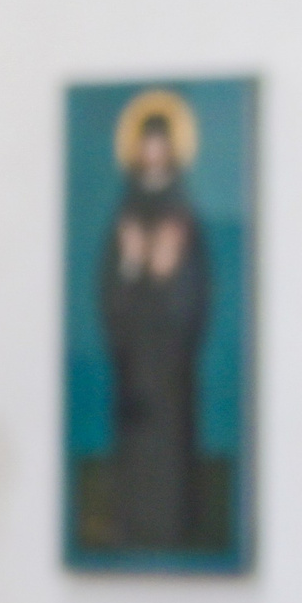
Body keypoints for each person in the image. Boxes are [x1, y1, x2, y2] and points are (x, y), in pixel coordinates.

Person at [98, 107, 209, 551]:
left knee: (169, 449)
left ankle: (171, 527)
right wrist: (129, 263)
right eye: (147, 143)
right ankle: (132, 528)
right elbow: (111, 292)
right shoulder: (126, 212)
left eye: (162, 143)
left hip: (169, 363)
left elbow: (196, 292)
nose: (154, 151)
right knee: (136, 448)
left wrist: (167, 274)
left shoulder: (183, 214)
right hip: (133, 362)